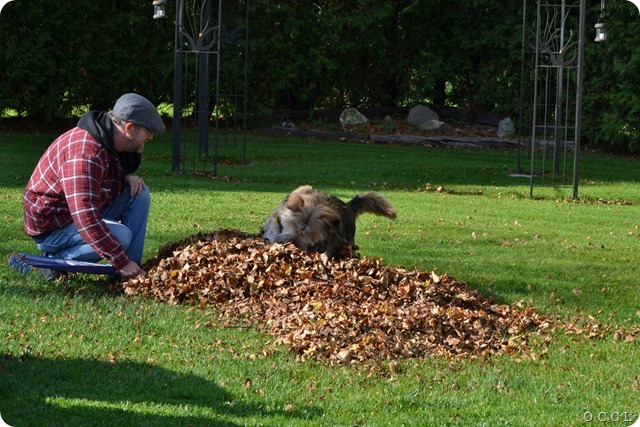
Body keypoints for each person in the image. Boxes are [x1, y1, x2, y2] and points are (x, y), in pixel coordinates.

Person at [23, 93, 166, 280]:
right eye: (148, 131)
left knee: (139, 194)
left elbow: (100, 177)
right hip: (53, 227)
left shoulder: (109, 139)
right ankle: (52, 262)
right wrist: (119, 260)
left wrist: (125, 177)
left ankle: (131, 275)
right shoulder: (85, 154)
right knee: (120, 237)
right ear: (130, 128)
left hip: (75, 214)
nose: (150, 137)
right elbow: (85, 216)